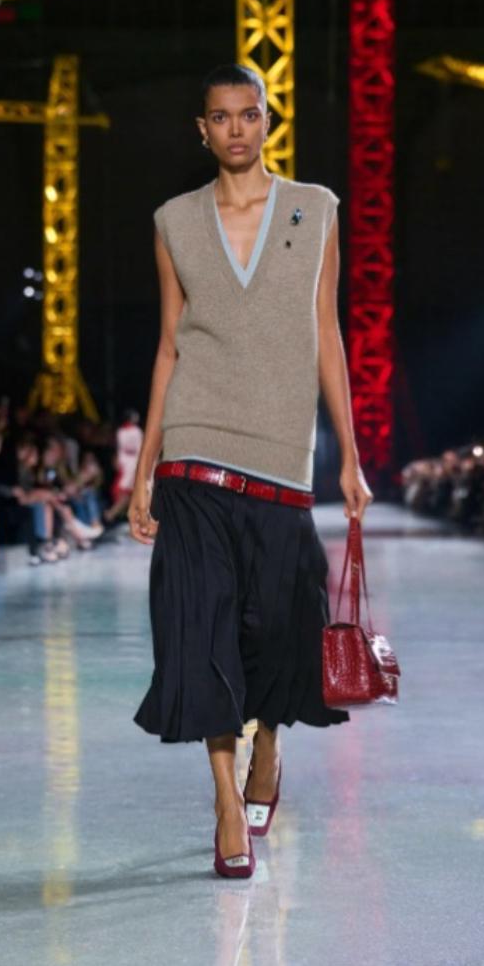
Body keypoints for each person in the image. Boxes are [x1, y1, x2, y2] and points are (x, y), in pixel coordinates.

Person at [127, 63, 373, 879]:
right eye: (220, 116)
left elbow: (327, 332)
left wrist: (351, 456)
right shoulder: (174, 220)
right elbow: (169, 345)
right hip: (194, 452)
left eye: (248, 114)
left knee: (277, 629)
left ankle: (270, 740)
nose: (235, 128)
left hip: (280, 454)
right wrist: (144, 469)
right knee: (200, 626)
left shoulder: (315, 207)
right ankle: (227, 801)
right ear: (202, 129)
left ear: (268, 121)